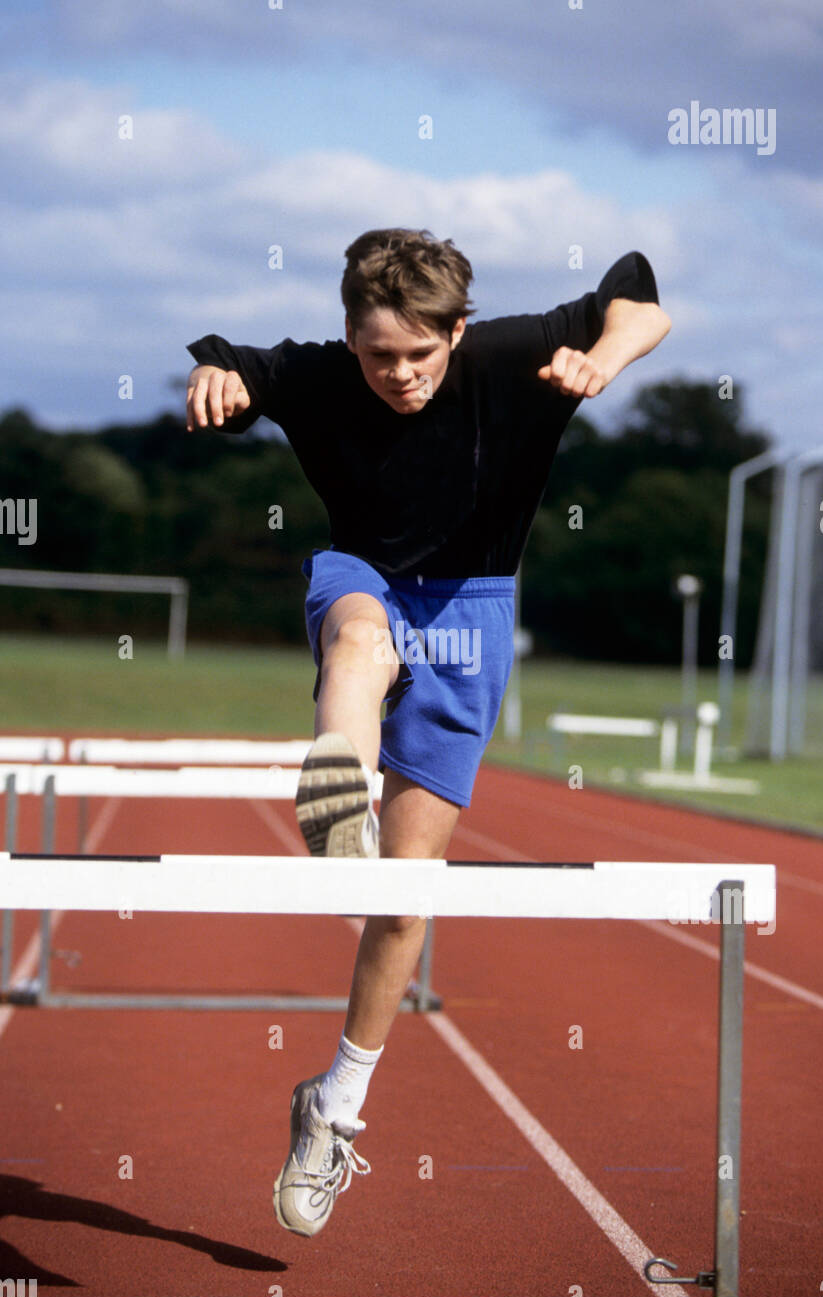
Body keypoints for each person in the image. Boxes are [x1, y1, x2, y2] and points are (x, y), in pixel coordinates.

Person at [185, 227, 670, 1238]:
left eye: (418, 354)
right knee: (359, 642)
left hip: (473, 608)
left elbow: (641, 298)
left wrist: (602, 360)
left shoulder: (511, 355)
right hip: (363, 574)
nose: (396, 375)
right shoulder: (323, 375)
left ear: (459, 330)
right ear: (348, 338)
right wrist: (218, 384)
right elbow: (231, 362)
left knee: (404, 903)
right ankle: (337, 781)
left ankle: (335, 1107)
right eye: (375, 356)